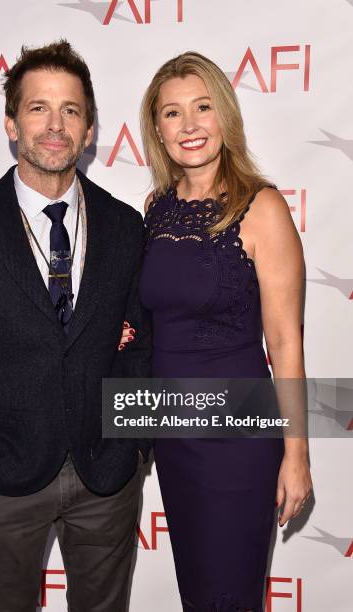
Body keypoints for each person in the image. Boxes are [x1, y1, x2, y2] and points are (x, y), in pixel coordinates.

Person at [0, 40, 151, 612]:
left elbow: (140, 348)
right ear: (11, 124)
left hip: (106, 478)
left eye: (70, 110)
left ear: (90, 130)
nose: (55, 124)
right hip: (0, 480)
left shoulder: (124, 228)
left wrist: (133, 448)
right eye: (38, 108)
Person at [120, 52, 313, 611]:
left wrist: (296, 455)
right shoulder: (155, 209)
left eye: (202, 107)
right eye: (173, 113)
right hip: (174, 435)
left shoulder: (263, 208)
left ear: (225, 116)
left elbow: (285, 344)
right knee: (198, 591)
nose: (190, 125)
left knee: (229, 594)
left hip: (238, 440)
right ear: (156, 128)